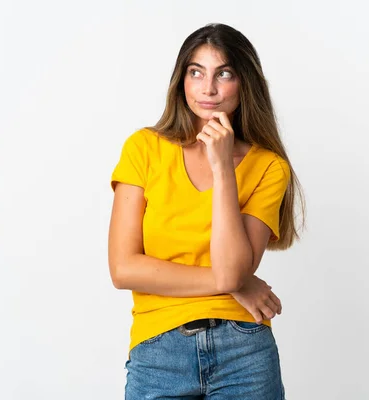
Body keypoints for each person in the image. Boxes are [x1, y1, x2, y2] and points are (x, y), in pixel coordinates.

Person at [108, 22, 305, 399]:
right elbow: (123, 269)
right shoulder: (144, 149)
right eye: (196, 72)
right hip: (158, 350)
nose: (208, 88)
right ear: (181, 80)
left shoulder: (268, 167)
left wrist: (222, 169)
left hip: (244, 350)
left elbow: (232, 270)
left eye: (224, 73)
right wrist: (238, 284)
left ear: (244, 82)